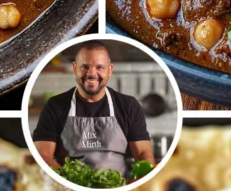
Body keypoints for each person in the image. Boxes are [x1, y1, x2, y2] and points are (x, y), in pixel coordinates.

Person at [32, 41, 154, 176]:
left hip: (118, 185)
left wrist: (144, 176)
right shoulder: (55, 105)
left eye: (100, 67)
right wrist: (70, 182)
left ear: (110, 70)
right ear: (74, 68)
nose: (91, 73)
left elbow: (143, 152)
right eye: (85, 66)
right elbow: (42, 154)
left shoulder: (128, 105)